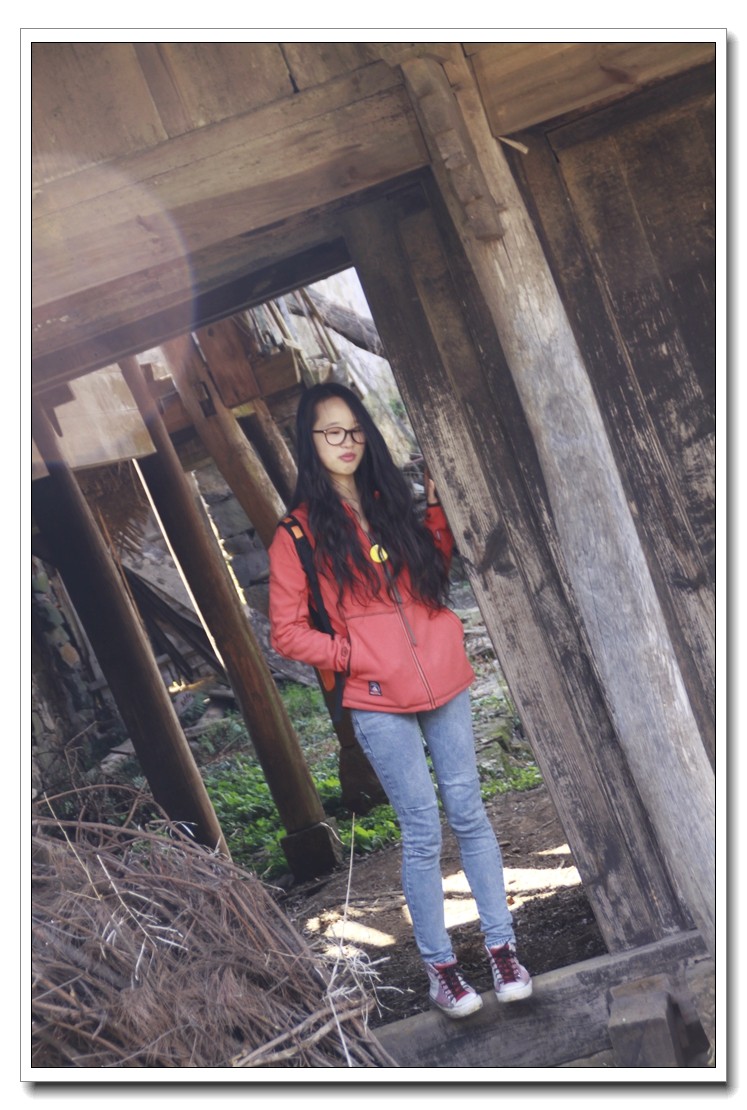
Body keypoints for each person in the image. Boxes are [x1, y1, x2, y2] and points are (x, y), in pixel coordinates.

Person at [268, 382, 532, 1018]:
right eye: (331, 432)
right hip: (376, 698)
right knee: (421, 831)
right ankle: (442, 970)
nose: (346, 442)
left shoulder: (391, 503)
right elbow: (287, 632)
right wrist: (354, 655)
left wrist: (435, 513)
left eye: (355, 429)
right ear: (310, 441)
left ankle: (503, 949)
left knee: (469, 812)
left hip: (444, 680)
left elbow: (431, 576)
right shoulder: (297, 533)